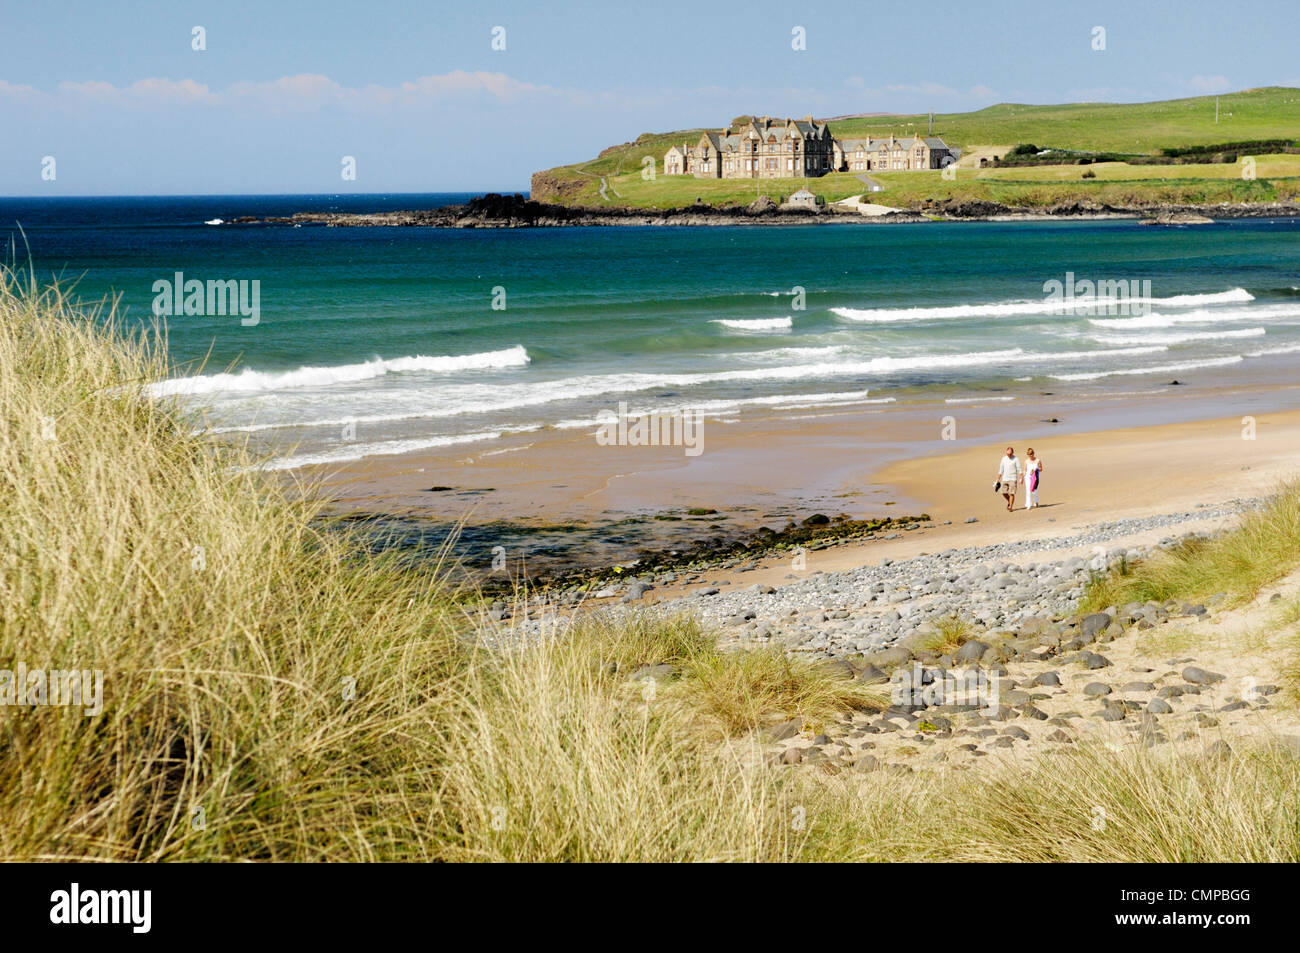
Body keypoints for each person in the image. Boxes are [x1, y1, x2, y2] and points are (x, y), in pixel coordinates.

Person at [995, 446, 1021, 512]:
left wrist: (1021, 477)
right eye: (1008, 454)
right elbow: (1001, 469)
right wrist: (998, 479)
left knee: (1012, 493)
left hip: (1013, 478)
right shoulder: (1003, 459)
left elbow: (1019, 468)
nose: (1009, 455)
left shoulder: (1016, 459)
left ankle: (1010, 507)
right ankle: (1009, 501)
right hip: (1005, 478)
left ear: (1013, 453)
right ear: (1006, 453)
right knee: (1003, 492)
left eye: (1010, 454)